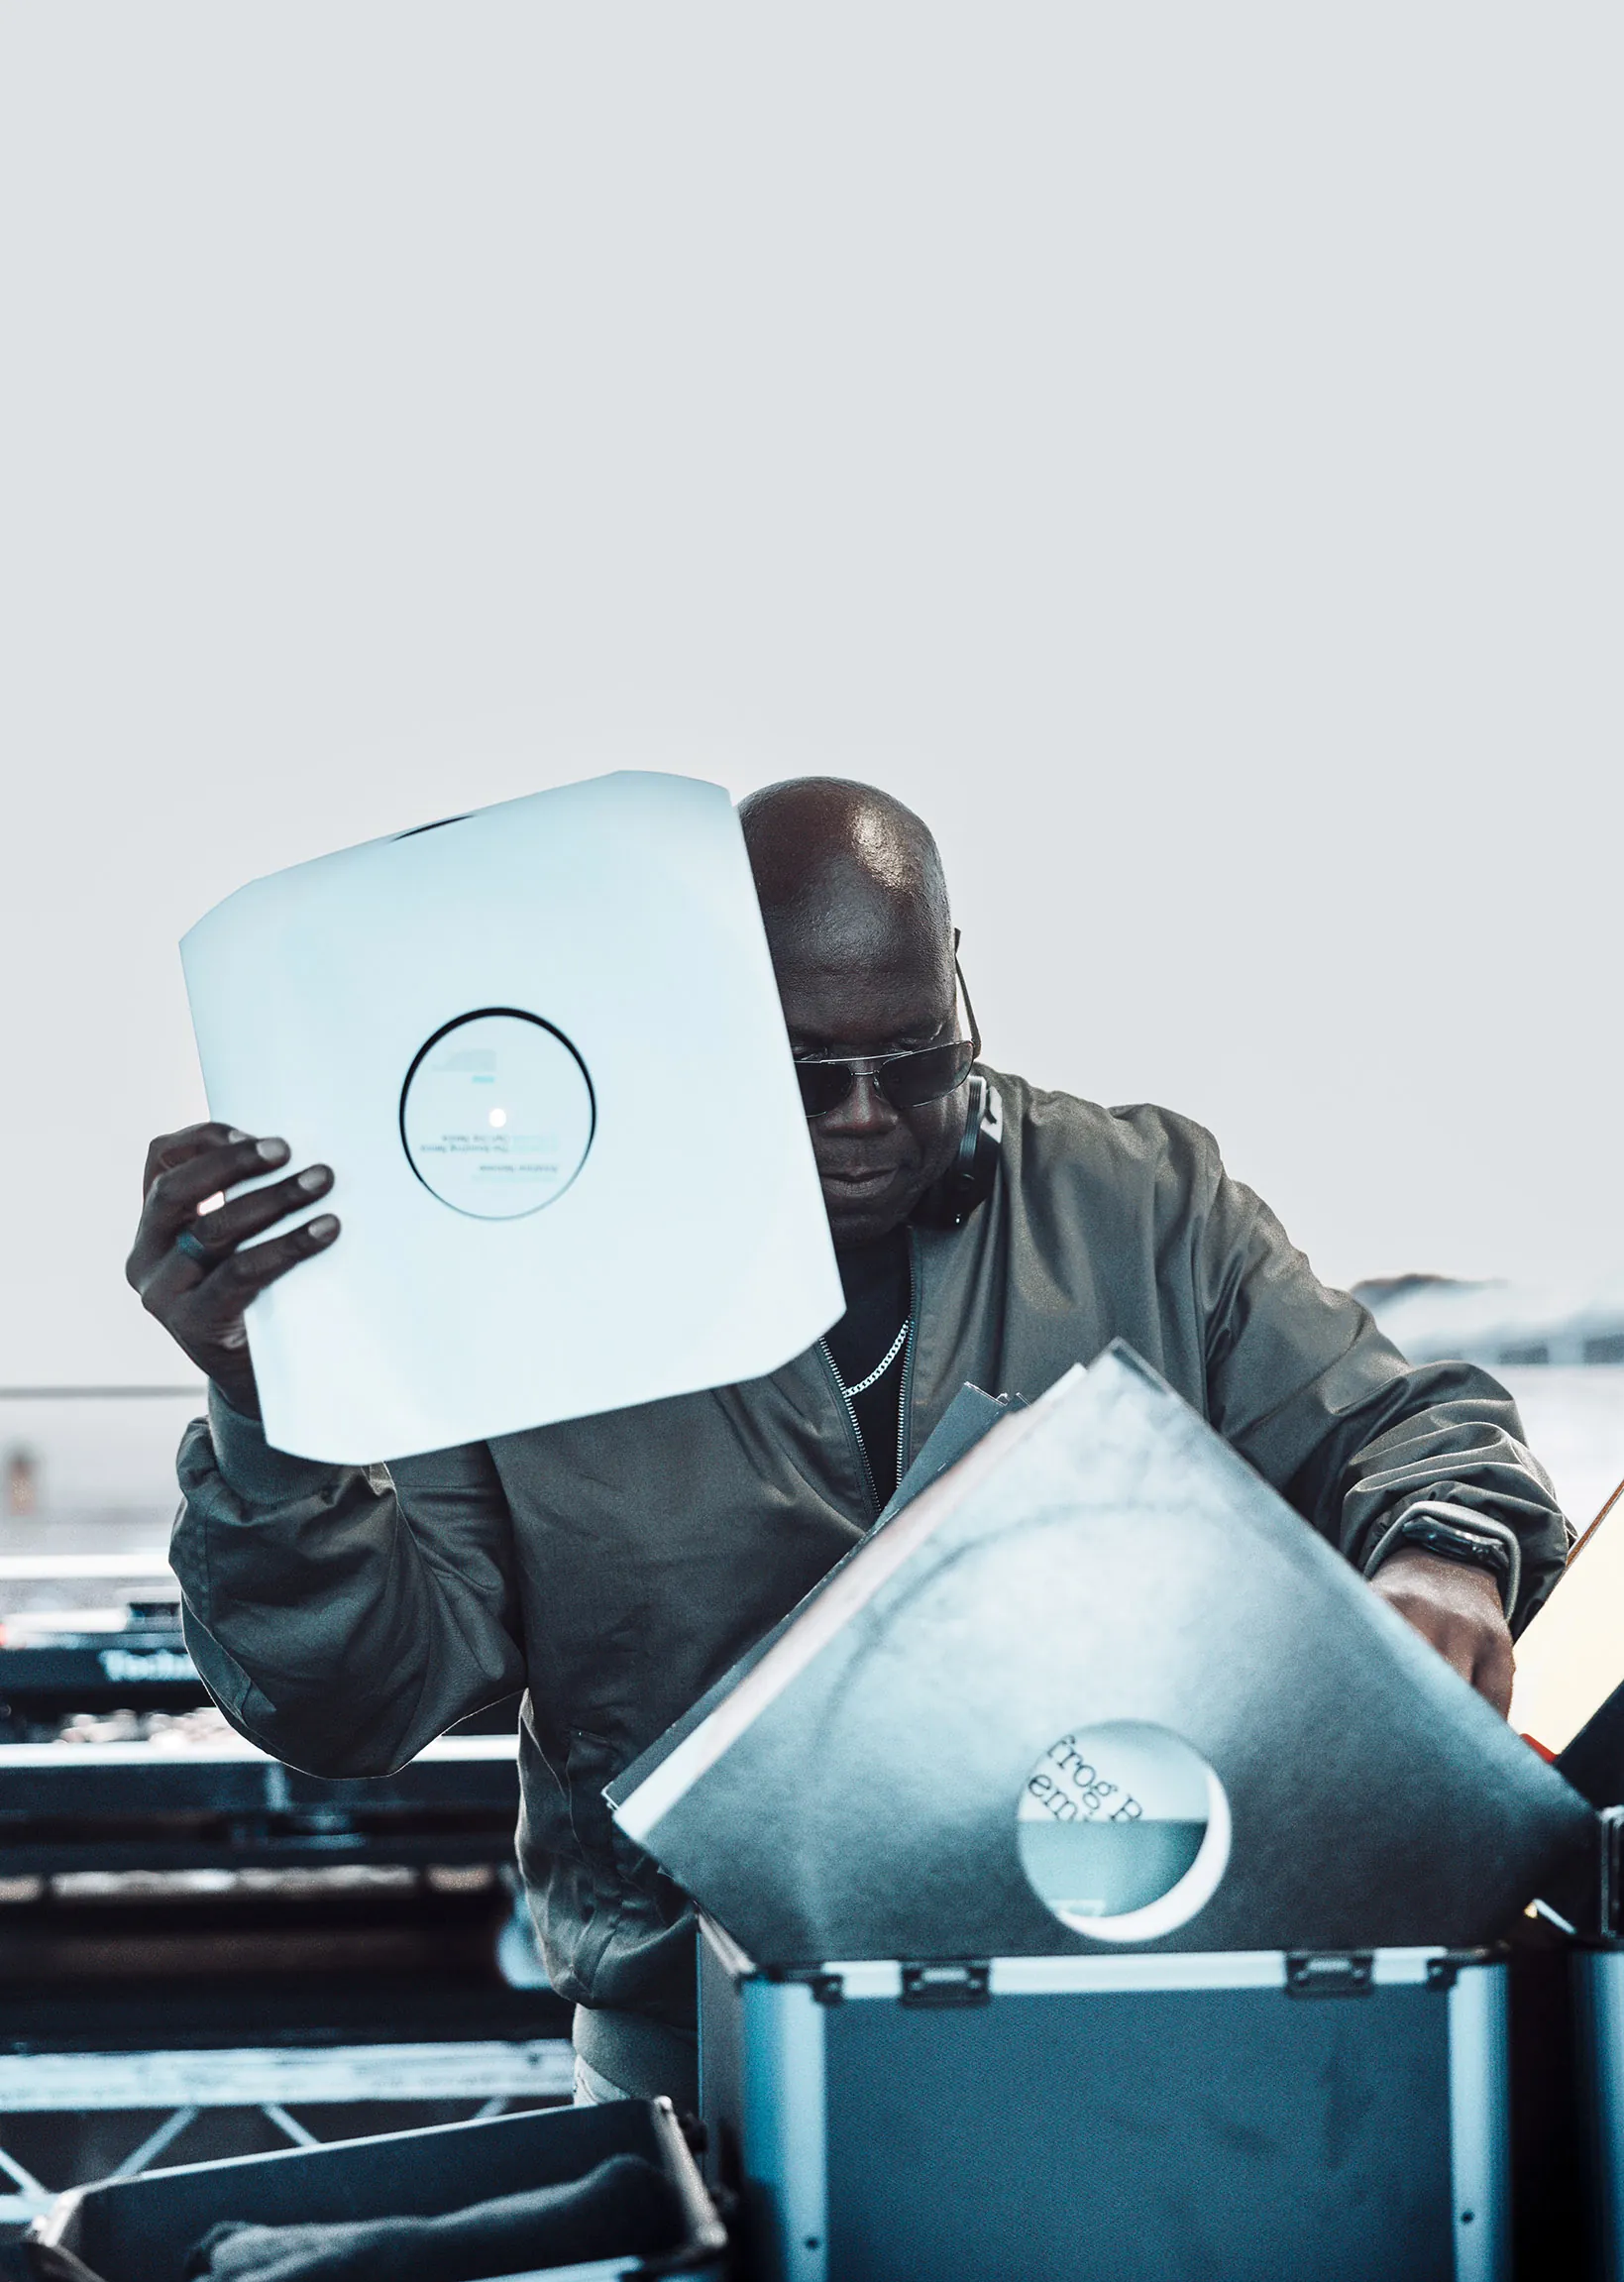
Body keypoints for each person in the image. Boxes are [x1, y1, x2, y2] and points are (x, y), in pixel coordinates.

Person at [128, 777, 1565, 2108]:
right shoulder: (526, 1281)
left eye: (915, 1057)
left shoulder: (1149, 1207)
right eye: (806, 1073)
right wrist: (272, 1408)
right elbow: (352, 1699)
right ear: (693, 1018)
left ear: (963, 977)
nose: (869, 1118)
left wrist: (1444, 1551)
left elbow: (1399, 1420)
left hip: (1110, 2013)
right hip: (696, 2058)